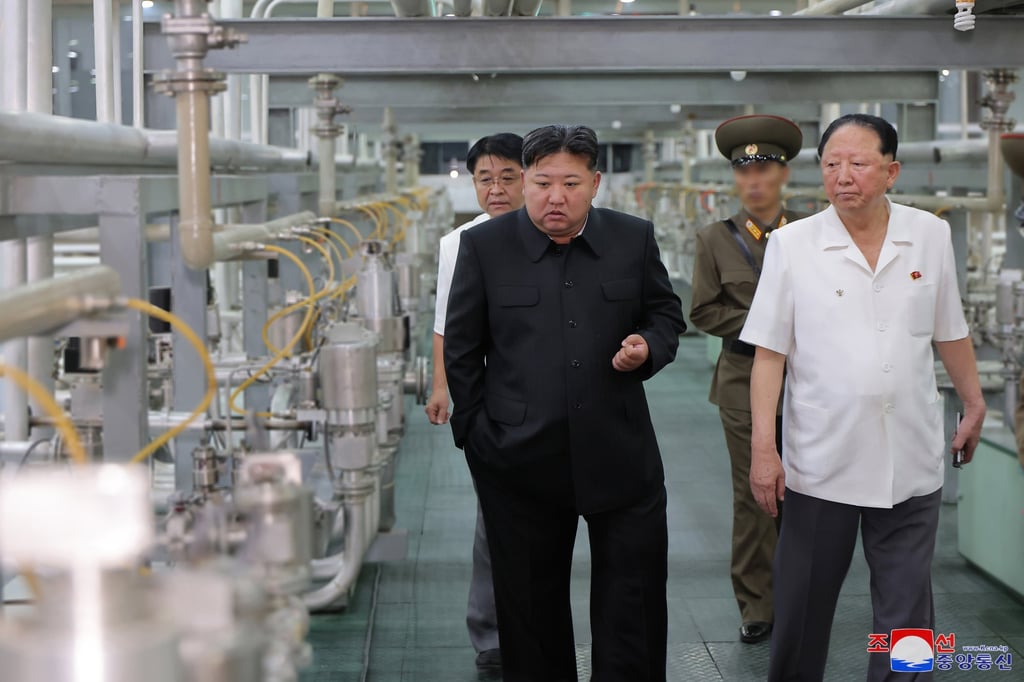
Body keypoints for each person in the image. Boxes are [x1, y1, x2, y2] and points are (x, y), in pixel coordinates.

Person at [740, 114, 985, 681]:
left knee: (906, 621)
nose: (842, 176)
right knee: (802, 607)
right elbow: (769, 355)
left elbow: (949, 328)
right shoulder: (792, 245)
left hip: (911, 457)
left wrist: (973, 402)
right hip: (823, 459)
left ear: (892, 171)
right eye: (831, 164)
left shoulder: (929, 234)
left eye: (858, 163)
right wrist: (763, 449)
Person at [443, 124, 686, 682]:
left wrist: (649, 345)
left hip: (620, 452)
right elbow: (461, 347)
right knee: (530, 606)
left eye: (571, 183)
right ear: (525, 181)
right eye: (544, 182)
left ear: (595, 183)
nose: (557, 197)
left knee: (635, 600)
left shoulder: (633, 239)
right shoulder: (482, 247)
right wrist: (477, 437)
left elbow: (666, 314)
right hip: (518, 458)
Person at [689, 114, 807, 645]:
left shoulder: (813, 233)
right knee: (755, 496)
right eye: (745, 171)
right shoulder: (715, 240)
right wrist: (768, 327)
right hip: (741, 383)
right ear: (735, 180)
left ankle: (803, 595)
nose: (755, 181)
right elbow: (704, 312)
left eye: (766, 170)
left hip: (810, 386)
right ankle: (758, 603)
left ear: (783, 176)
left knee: (808, 494)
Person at [424, 132, 525, 674]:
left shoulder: (554, 233)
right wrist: (442, 386)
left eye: (509, 176)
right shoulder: (457, 244)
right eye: (485, 178)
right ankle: (490, 634)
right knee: (495, 518)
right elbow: (447, 324)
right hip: (491, 402)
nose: (497, 189)